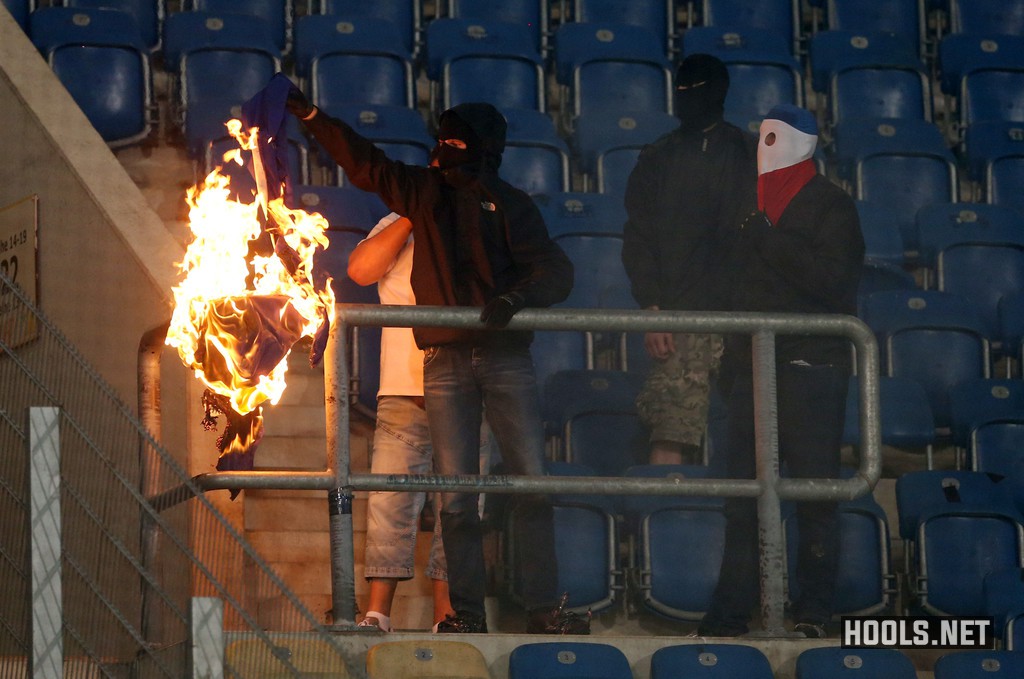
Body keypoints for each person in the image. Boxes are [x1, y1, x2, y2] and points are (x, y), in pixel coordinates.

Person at [287, 91, 585, 635]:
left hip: (504, 357)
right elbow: (363, 162)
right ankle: (464, 616)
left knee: (529, 485)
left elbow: (555, 271)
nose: (445, 150)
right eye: (441, 140)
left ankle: (544, 610)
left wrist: (515, 300)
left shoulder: (512, 203)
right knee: (453, 499)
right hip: (440, 360)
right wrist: (312, 118)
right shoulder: (422, 193)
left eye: (457, 141)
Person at [698, 104, 864, 639]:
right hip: (751, 370)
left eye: (776, 138)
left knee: (814, 498)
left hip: (812, 368)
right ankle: (730, 612)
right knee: (742, 498)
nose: (764, 148)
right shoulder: (748, 207)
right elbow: (730, 288)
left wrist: (769, 238)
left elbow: (834, 282)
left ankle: (815, 610)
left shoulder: (831, 206)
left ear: (804, 144)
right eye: (761, 138)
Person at [621, 53, 757, 466]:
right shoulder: (659, 156)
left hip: (745, 315)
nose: (685, 98)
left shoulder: (747, 153)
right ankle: (664, 519)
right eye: (679, 90)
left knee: (757, 433)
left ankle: (748, 530)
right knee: (671, 427)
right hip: (680, 316)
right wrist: (653, 308)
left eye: (694, 90)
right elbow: (639, 236)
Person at [346, 212, 451, 633]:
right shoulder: (396, 219)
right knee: (389, 501)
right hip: (403, 386)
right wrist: (412, 214)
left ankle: (449, 616)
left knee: (460, 507)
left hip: (471, 384)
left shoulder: (482, 211)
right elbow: (360, 270)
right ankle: (378, 614)